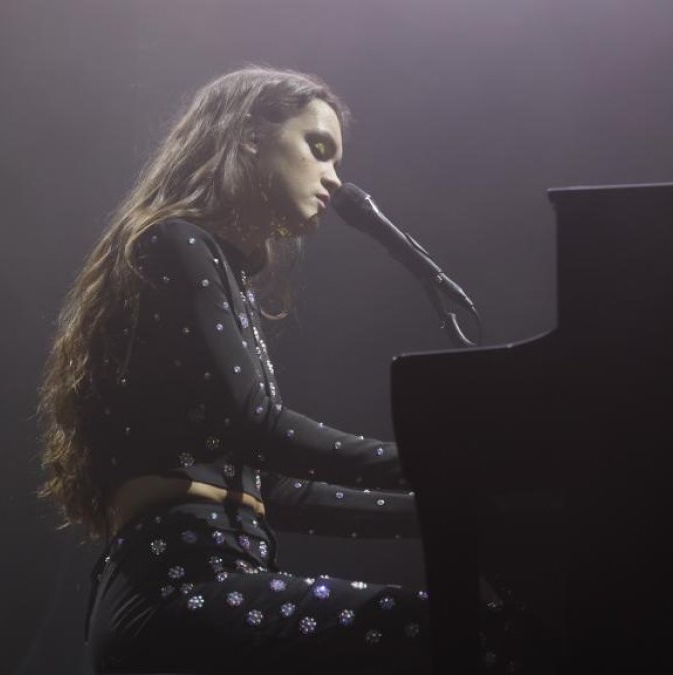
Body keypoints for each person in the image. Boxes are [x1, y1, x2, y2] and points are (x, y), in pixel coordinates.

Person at [35, 67, 455, 674]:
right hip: (180, 592)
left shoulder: (216, 271)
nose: (335, 178)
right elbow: (255, 423)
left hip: (193, 596)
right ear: (250, 136)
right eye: (319, 148)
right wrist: (434, 463)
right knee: (468, 635)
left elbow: (277, 491)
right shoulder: (175, 242)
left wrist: (444, 507)